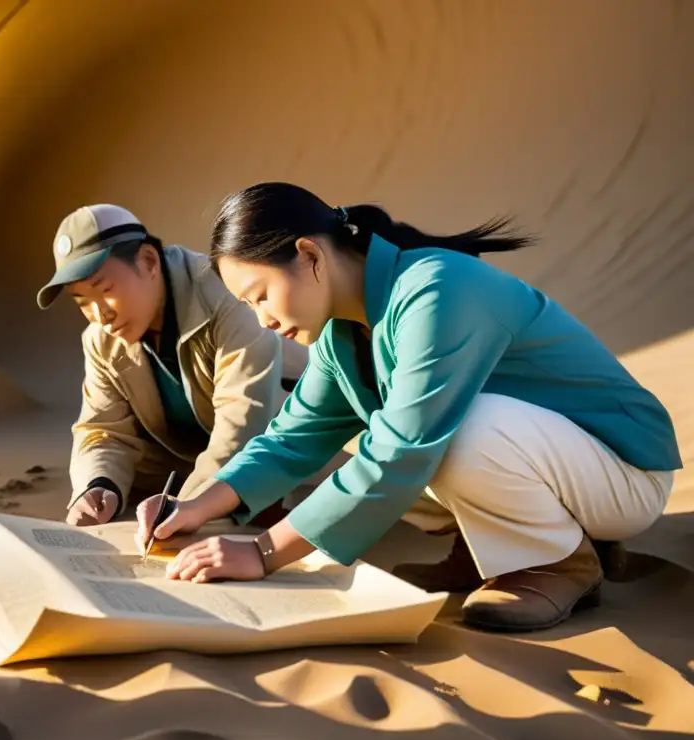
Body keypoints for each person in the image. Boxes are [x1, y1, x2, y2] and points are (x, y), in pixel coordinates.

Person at [135, 181, 681, 633]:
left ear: (308, 255)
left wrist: (264, 553)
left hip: (623, 475)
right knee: (370, 432)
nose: (263, 322)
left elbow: (402, 448)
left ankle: (556, 560)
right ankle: (495, 545)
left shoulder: (436, 288)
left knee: (451, 430)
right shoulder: (340, 335)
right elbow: (292, 437)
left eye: (260, 295)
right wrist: (199, 507)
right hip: (559, 468)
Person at [37, 203, 308, 528]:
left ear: (149, 261)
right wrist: (98, 485)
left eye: (105, 290)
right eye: (82, 302)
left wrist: (188, 507)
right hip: (184, 470)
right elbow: (103, 429)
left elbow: (242, 426)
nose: (100, 315)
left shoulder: (228, 296)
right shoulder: (100, 339)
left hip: (274, 457)